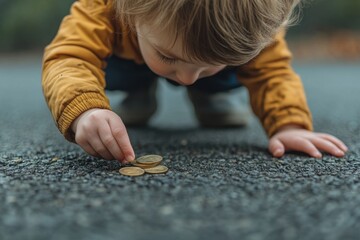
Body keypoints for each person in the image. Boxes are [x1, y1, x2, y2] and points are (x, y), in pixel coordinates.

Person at [42, 0, 348, 163]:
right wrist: (85, 109)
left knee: (231, 64)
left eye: (203, 67)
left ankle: (212, 90)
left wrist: (289, 124)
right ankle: (138, 89)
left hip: (185, 56)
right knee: (105, 66)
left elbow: (273, 73)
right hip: (127, 60)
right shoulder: (102, 7)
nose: (187, 78)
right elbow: (71, 57)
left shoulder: (249, 23)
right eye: (170, 56)